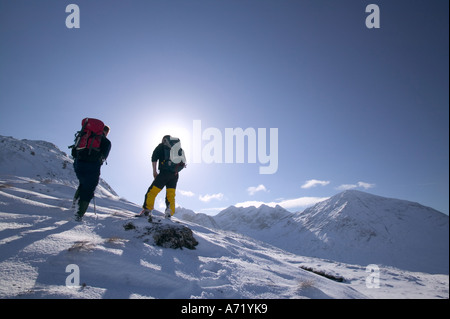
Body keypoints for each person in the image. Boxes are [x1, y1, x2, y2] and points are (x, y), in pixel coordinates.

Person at [72, 125, 111, 221]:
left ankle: (74, 204)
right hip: (92, 166)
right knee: (89, 189)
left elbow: (73, 152)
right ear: (106, 132)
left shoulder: (85, 136)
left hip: (78, 165)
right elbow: (104, 157)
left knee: (83, 183)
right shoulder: (106, 141)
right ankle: (78, 215)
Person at [140, 135, 184, 219]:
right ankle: (169, 213)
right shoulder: (177, 148)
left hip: (164, 173)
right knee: (170, 194)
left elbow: (154, 158)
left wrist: (154, 171)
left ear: (163, 140)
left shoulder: (161, 146)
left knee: (152, 191)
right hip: (175, 174)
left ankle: (147, 210)